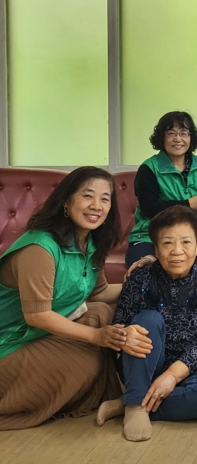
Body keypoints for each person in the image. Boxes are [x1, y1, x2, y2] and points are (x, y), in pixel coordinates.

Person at [0, 167, 130, 430]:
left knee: (101, 313)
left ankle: (86, 389)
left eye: (105, 199)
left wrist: (141, 282)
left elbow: (99, 293)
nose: (96, 205)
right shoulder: (40, 247)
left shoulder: (90, 243)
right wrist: (97, 337)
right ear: (66, 203)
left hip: (37, 334)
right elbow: (37, 315)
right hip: (9, 343)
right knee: (88, 361)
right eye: (87, 196)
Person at [97, 206, 197, 442]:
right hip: (142, 367)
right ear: (155, 248)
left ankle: (129, 403)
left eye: (186, 242)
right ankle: (135, 405)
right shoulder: (140, 277)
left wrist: (173, 376)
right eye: (167, 243)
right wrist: (126, 332)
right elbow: (119, 323)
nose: (177, 251)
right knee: (148, 320)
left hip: (190, 371)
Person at [126, 111, 197, 267]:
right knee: (143, 273)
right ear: (162, 137)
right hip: (150, 236)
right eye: (171, 133)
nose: (178, 139)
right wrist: (188, 204)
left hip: (193, 236)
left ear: (191, 137)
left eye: (184, 133)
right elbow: (148, 208)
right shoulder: (149, 168)